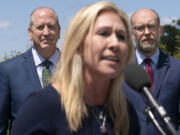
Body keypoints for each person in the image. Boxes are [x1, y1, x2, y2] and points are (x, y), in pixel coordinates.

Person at [10, 1, 140, 135]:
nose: (115, 43)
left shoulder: (125, 112)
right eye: (103, 33)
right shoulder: (40, 108)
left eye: (121, 36)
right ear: (78, 43)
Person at [0, 7, 61, 135]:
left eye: (51, 26)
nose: (46, 32)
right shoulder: (8, 71)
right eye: (40, 27)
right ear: (30, 33)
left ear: (59, 31)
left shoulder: (76, 69)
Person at [123, 8, 180, 135]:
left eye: (151, 26)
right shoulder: (119, 71)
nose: (147, 32)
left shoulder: (177, 69)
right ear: (132, 34)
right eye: (140, 28)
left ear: (160, 30)